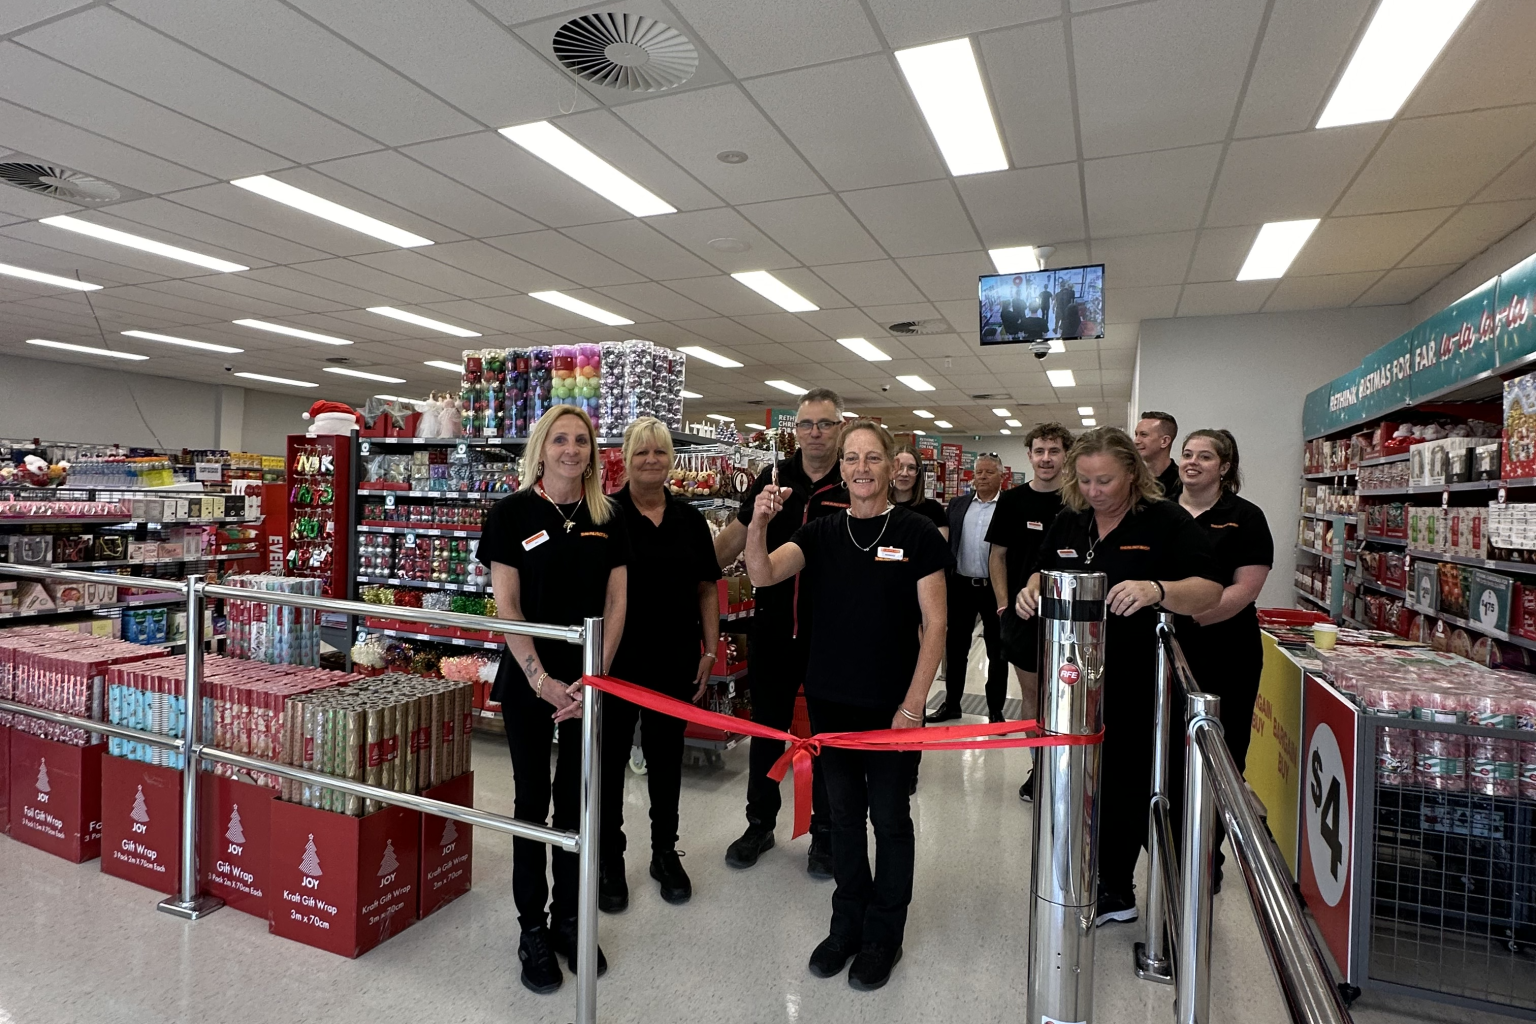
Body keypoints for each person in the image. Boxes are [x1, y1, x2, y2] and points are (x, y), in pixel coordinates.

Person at [744, 420, 948, 991]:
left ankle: (885, 934)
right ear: (841, 470)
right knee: (843, 820)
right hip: (831, 704)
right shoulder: (821, 532)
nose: (861, 468)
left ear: (890, 466)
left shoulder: (918, 532)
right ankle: (846, 923)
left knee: (889, 818)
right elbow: (761, 574)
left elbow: (936, 625)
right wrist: (759, 522)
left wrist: (912, 707)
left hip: (893, 710)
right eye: (851, 458)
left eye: (872, 458)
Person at [1014, 427, 1220, 927]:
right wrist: (1029, 591)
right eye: (1083, 480)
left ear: (1132, 472)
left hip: (1139, 683)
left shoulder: (1164, 521)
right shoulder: (1071, 520)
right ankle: (1099, 880)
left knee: (1131, 784)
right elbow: (1041, 572)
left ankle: (1141, 890)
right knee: (1082, 785)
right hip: (1074, 683)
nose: (1093, 491)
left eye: (1104, 480)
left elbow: (1209, 590)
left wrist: (1156, 589)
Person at [480, 404, 628, 995]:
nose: (572, 449)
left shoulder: (607, 517)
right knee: (530, 804)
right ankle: (532, 927)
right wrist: (542, 681)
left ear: (592, 452)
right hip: (530, 681)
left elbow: (618, 604)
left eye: (582, 441)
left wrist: (595, 678)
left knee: (577, 805)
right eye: (561, 440)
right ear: (541, 448)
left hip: (590, 683)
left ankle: (570, 918)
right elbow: (507, 606)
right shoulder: (511, 513)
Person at [713, 389, 845, 877]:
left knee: (829, 735)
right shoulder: (771, 480)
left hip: (831, 633)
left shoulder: (851, 482)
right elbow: (733, 537)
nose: (815, 433)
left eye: (825, 424)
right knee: (766, 731)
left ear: (839, 427)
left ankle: (827, 832)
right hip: (772, 630)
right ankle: (759, 823)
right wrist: (697, 573)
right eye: (807, 424)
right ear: (795, 429)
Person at [602, 417, 722, 910]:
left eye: (660, 452)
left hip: (674, 659)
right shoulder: (604, 515)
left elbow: (707, 588)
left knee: (666, 760)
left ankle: (664, 853)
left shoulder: (690, 520)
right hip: (616, 662)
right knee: (609, 762)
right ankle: (610, 857)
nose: (651, 460)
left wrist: (710, 651)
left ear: (671, 458)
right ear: (625, 458)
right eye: (641, 452)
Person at [1174, 429, 1273, 884]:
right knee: (1170, 753)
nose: (1192, 462)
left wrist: (1186, 615)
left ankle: (1205, 860)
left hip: (1225, 652)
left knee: (1222, 754)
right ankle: (1171, 847)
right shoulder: (1158, 511)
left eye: (1205, 456)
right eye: (1187, 454)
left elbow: (1244, 590)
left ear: (1225, 466)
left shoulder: (1245, 517)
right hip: (1165, 651)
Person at [985, 422, 1073, 801]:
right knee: (1033, 695)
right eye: (1039, 451)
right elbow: (997, 555)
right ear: (1030, 455)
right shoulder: (1013, 500)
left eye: (1053, 451)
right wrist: (1004, 604)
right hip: (1022, 617)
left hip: (1072, 619)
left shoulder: (1078, 501)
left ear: (1066, 455)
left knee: (1071, 695)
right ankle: (1041, 769)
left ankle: (1069, 767)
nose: (1046, 458)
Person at [927, 453, 1007, 723]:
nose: (982, 477)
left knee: (997, 651)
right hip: (961, 586)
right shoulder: (958, 505)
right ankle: (951, 704)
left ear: (1001, 476)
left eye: (988, 472)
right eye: (978, 472)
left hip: (995, 589)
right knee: (956, 648)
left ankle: (995, 709)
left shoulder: (1008, 506)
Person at [891, 444, 948, 538]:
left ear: (918, 474)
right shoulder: (878, 508)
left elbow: (940, 550)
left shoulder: (934, 510)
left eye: (911, 468)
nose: (904, 473)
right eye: (899, 467)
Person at [1135, 410, 1182, 498]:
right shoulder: (1133, 479)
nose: (1136, 441)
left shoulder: (1181, 483)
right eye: (1136, 434)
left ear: (1164, 441)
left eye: (1144, 435)